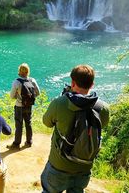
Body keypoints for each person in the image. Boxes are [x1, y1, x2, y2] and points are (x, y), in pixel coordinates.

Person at [40, 65, 109, 193]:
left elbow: (46, 123)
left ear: (72, 82)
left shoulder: (59, 103)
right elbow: (101, 126)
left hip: (58, 165)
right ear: (92, 84)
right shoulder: (103, 108)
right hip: (84, 168)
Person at [7, 63, 40, 150]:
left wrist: (18, 98)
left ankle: (16, 144)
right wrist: (30, 99)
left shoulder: (16, 82)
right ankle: (29, 142)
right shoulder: (32, 80)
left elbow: (11, 96)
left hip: (19, 106)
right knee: (28, 123)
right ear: (28, 71)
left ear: (19, 71)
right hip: (29, 105)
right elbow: (38, 93)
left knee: (19, 124)